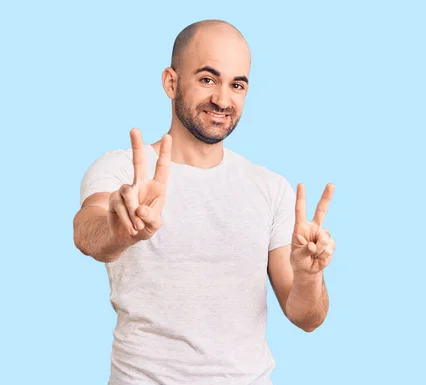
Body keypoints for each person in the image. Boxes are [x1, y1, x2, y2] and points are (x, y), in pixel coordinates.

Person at [72, 19, 336, 385]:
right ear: (171, 81)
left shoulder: (270, 187)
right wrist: (119, 233)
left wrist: (309, 276)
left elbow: (307, 318)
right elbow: (87, 231)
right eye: (208, 79)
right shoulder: (122, 169)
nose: (223, 100)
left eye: (237, 84)